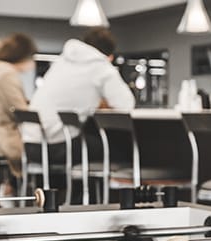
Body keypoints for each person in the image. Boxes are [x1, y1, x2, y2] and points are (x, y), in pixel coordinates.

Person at [23, 27, 135, 165]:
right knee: (122, 149)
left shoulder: (62, 62)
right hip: (58, 146)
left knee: (89, 136)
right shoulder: (102, 66)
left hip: (30, 144)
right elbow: (126, 105)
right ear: (109, 56)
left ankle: (77, 185)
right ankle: (113, 186)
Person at [0, 33, 37, 188]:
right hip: (4, 139)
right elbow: (21, 112)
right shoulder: (6, 74)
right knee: (49, 150)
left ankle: (12, 188)